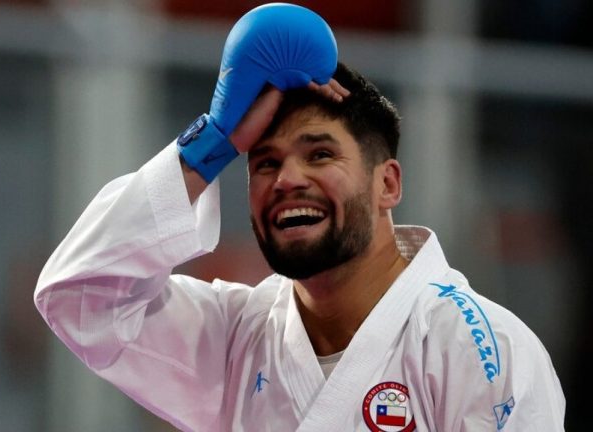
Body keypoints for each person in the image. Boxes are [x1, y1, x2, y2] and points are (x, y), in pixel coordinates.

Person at [34, 4, 565, 431]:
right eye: (264, 162)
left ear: (388, 184)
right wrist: (213, 142)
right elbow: (79, 294)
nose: (286, 179)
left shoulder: (478, 349)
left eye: (319, 154)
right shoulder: (235, 338)